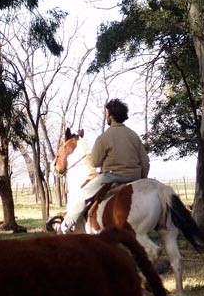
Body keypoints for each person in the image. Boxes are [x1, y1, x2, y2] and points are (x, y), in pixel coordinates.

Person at [61, 98, 149, 232]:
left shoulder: (104, 137)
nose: (106, 116)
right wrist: (141, 178)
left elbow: (95, 162)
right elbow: (145, 162)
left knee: (81, 195)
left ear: (111, 116)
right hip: (136, 177)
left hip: (112, 177)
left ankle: (66, 225)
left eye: (107, 114)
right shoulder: (134, 136)